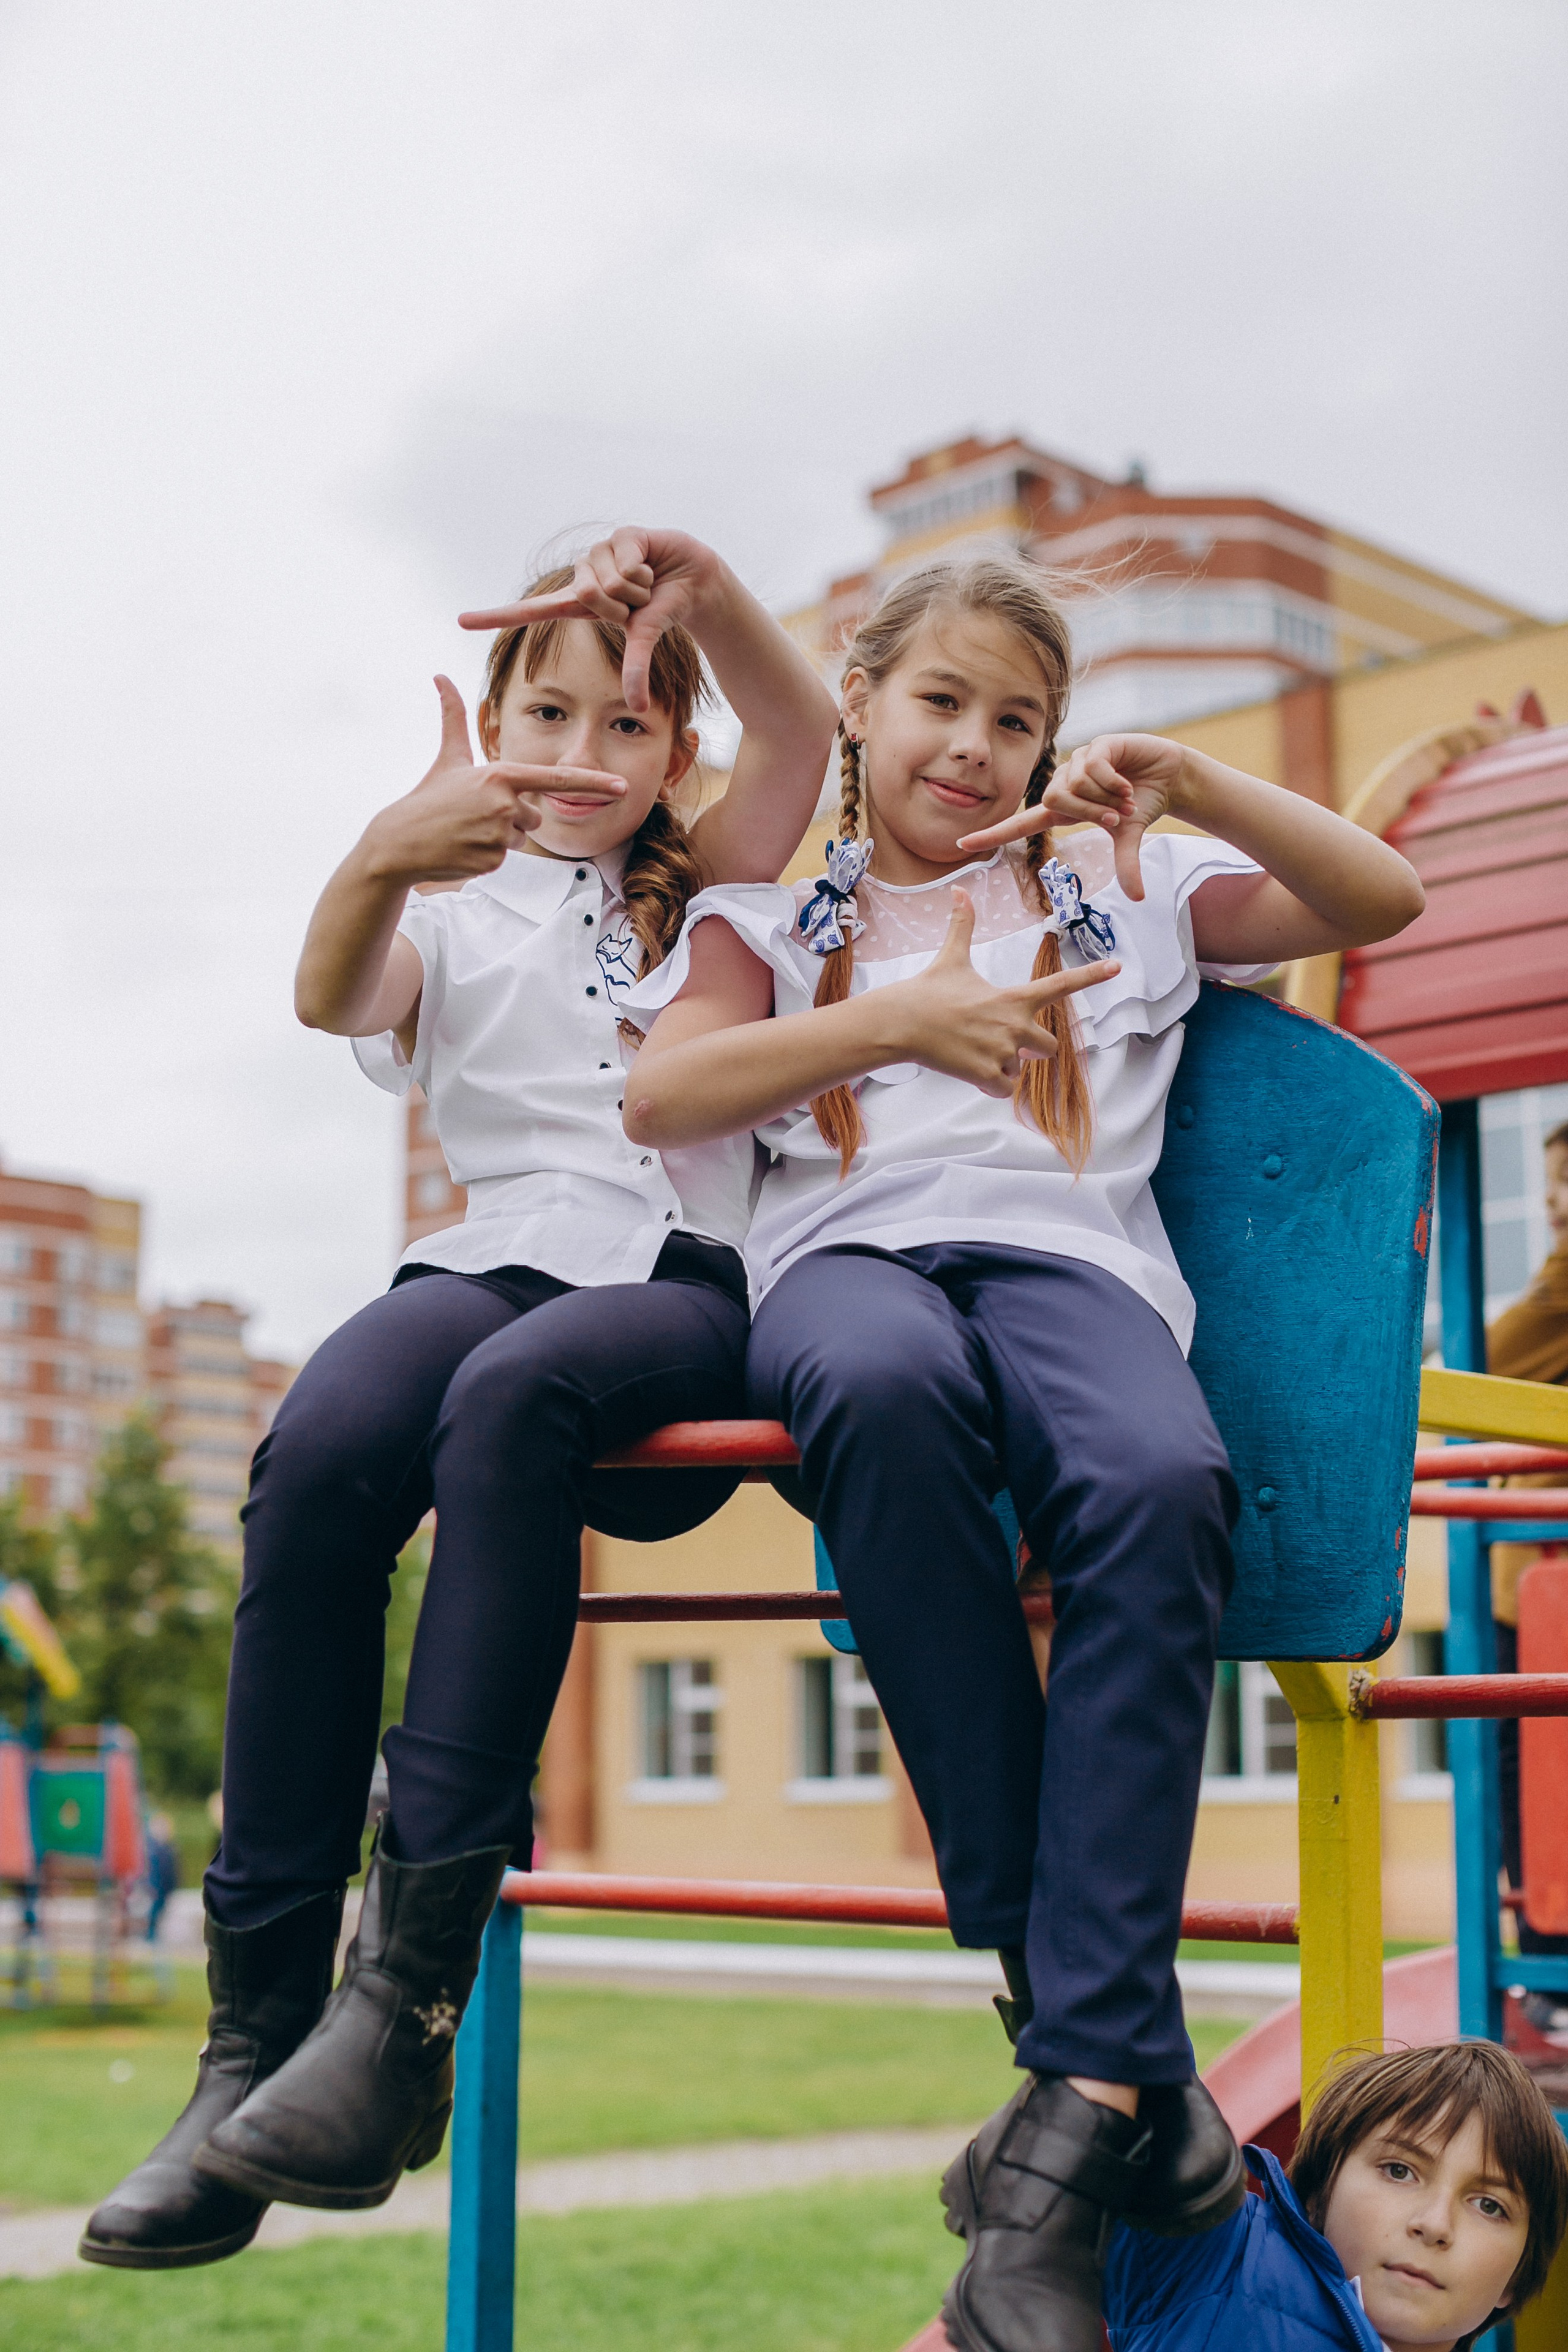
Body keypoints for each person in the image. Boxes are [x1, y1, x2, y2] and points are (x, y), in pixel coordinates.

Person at [620, 555, 1426, 2352]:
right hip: (845, 1268)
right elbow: (664, 1093)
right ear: (858, 702)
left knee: (1158, 1482)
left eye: (1016, 719)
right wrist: (896, 1020)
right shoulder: (772, 914)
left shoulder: (1124, 882)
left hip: (1073, 1273)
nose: (972, 746)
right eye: (940, 701)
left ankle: (1066, 2108)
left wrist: (1193, 782)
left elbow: (1381, 890)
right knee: (877, 1386)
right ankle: (1115, 2053)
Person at [79, 528, 837, 2271]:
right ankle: (252, 2045)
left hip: (675, 1282)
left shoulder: (712, 876)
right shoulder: (447, 901)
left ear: (675, 751)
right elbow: (329, 994)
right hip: (495, 1257)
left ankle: (401, 2004)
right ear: (493, 724)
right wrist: (377, 853)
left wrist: (704, 590)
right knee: (319, 1448)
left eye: (627, 724)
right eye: (546, 715)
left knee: (504, 1392)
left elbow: (799, 733)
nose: (582, 753)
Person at [1103, 2041, 1568, 2351]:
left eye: (1489, 2206)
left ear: (1518, 2274)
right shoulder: (1215, 2265)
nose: (1434, 2225)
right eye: (1399, 2171)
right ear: (1320, 2193)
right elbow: (1127, 2034)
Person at [1488, 1120, 1568, 2018]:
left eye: (1566, 1181)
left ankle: (1548, 1958)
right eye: (1546, 1181)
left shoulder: (1564, 1283)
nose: (1551, 1201)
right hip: (1534, 1573)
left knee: (1531, 1761)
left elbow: (1486, 1363)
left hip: (1541, 1580)